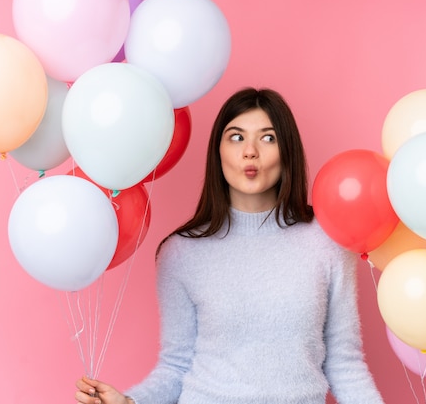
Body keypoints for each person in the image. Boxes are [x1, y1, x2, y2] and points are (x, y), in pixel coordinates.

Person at [75, 87, 386, 404]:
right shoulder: (181, 253)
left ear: (287, 150)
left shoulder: (328, 243)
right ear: (218, 152)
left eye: (268, 138)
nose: (250, 151)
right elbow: (176, 367)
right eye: (236, 137)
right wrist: (129, 402)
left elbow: (344, 365)